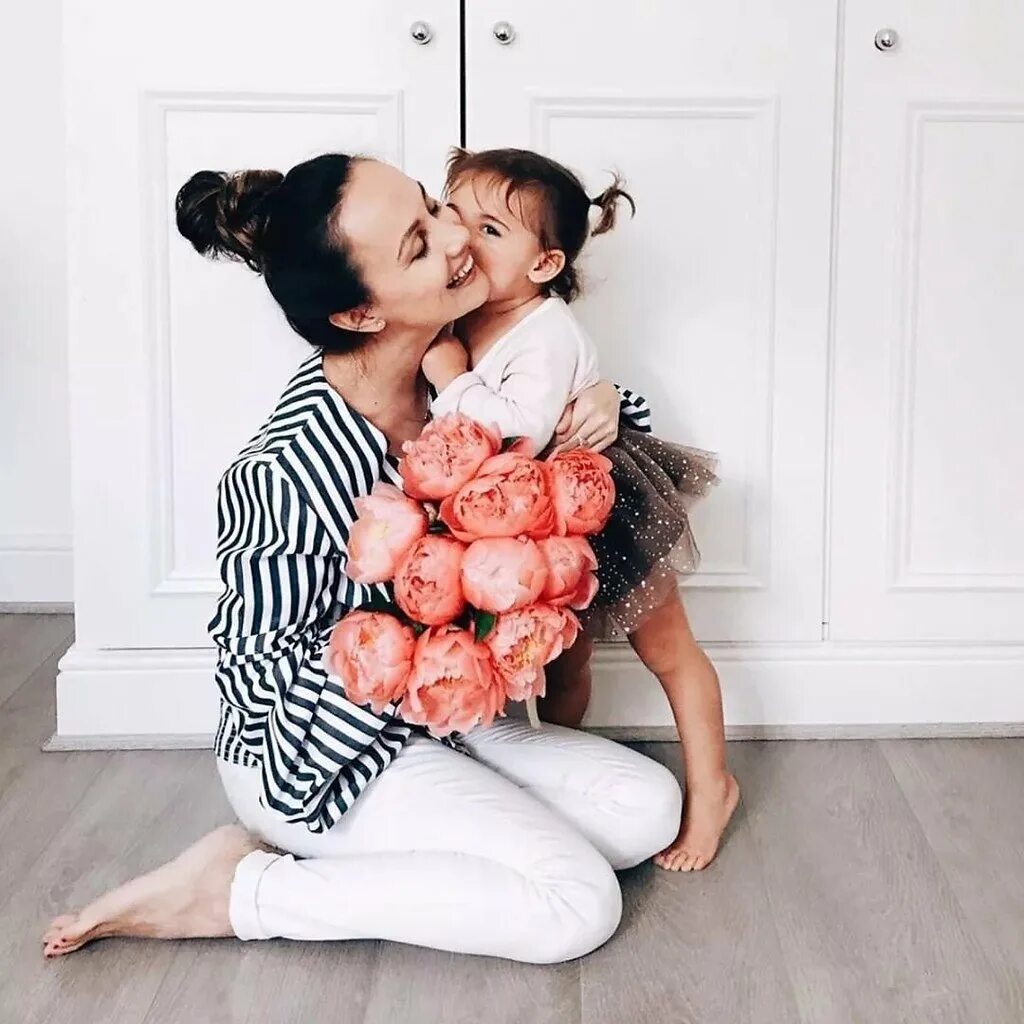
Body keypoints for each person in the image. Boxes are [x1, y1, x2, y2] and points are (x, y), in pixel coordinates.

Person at [41, 152, 681, 963]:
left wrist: (604, 401)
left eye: (433, 207)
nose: (458, 239)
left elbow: (567, 447)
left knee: (648, 808)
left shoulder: (470, 371)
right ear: (360, 315)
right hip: (319, 758)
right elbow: (259, 683)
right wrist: (420, 653)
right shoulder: (287, 467)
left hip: (443, 721)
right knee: (578, 904)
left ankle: (458, 837)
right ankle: (241, 888)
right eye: (420, 243)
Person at [421, 148, 739, 872]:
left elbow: (513, 433)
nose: (464, 238)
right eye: (453, 214)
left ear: (543, 265)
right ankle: (558, 775)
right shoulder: (465, 314)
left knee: (669, 653)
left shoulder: (547, 331)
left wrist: (446, 372)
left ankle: (712, 787)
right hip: (540, 522)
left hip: (606, 507)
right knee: (561, 666)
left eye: (492, 230)